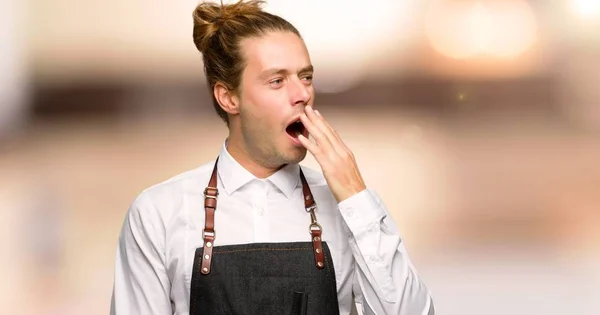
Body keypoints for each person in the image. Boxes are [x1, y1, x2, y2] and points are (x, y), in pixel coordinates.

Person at [110, 1, 435, 314]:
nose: (302, 94)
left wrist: (356, 196)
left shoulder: (347, 208)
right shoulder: (158, 213)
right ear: (228, 97)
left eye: (305, 77)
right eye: (277, 81)